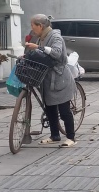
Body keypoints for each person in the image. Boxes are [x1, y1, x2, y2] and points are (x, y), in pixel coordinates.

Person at [24, 14, 77, 147]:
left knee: (64, 110)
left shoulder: (55, 37)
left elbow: (57, 53)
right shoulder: (39, 38)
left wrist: (37, 48)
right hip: (46, 77)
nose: (31, 28)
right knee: (50, 108)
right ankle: (55, 135)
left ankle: (71, 137)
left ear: (40, 26)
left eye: (33, 25)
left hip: (59, 78)